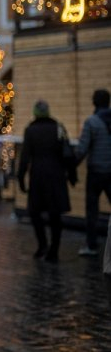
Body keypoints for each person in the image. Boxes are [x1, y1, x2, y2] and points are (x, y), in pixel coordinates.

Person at [17, 100, 77, 263]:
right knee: (55, 215)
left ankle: (42, 244)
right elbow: (68, 153)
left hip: (38, 177)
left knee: (35, 212)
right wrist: (72, 176)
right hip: (56, 176)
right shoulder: (58, 128)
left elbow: (25, 157)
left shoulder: (30, 130)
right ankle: (54, 250)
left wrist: (21, 178)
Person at [75, 89, 111, 256]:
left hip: (96, 172)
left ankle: (91, 245)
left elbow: (82, 149)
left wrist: (71, 166)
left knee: (92, 211)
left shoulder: (92, 122)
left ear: (94, 103)